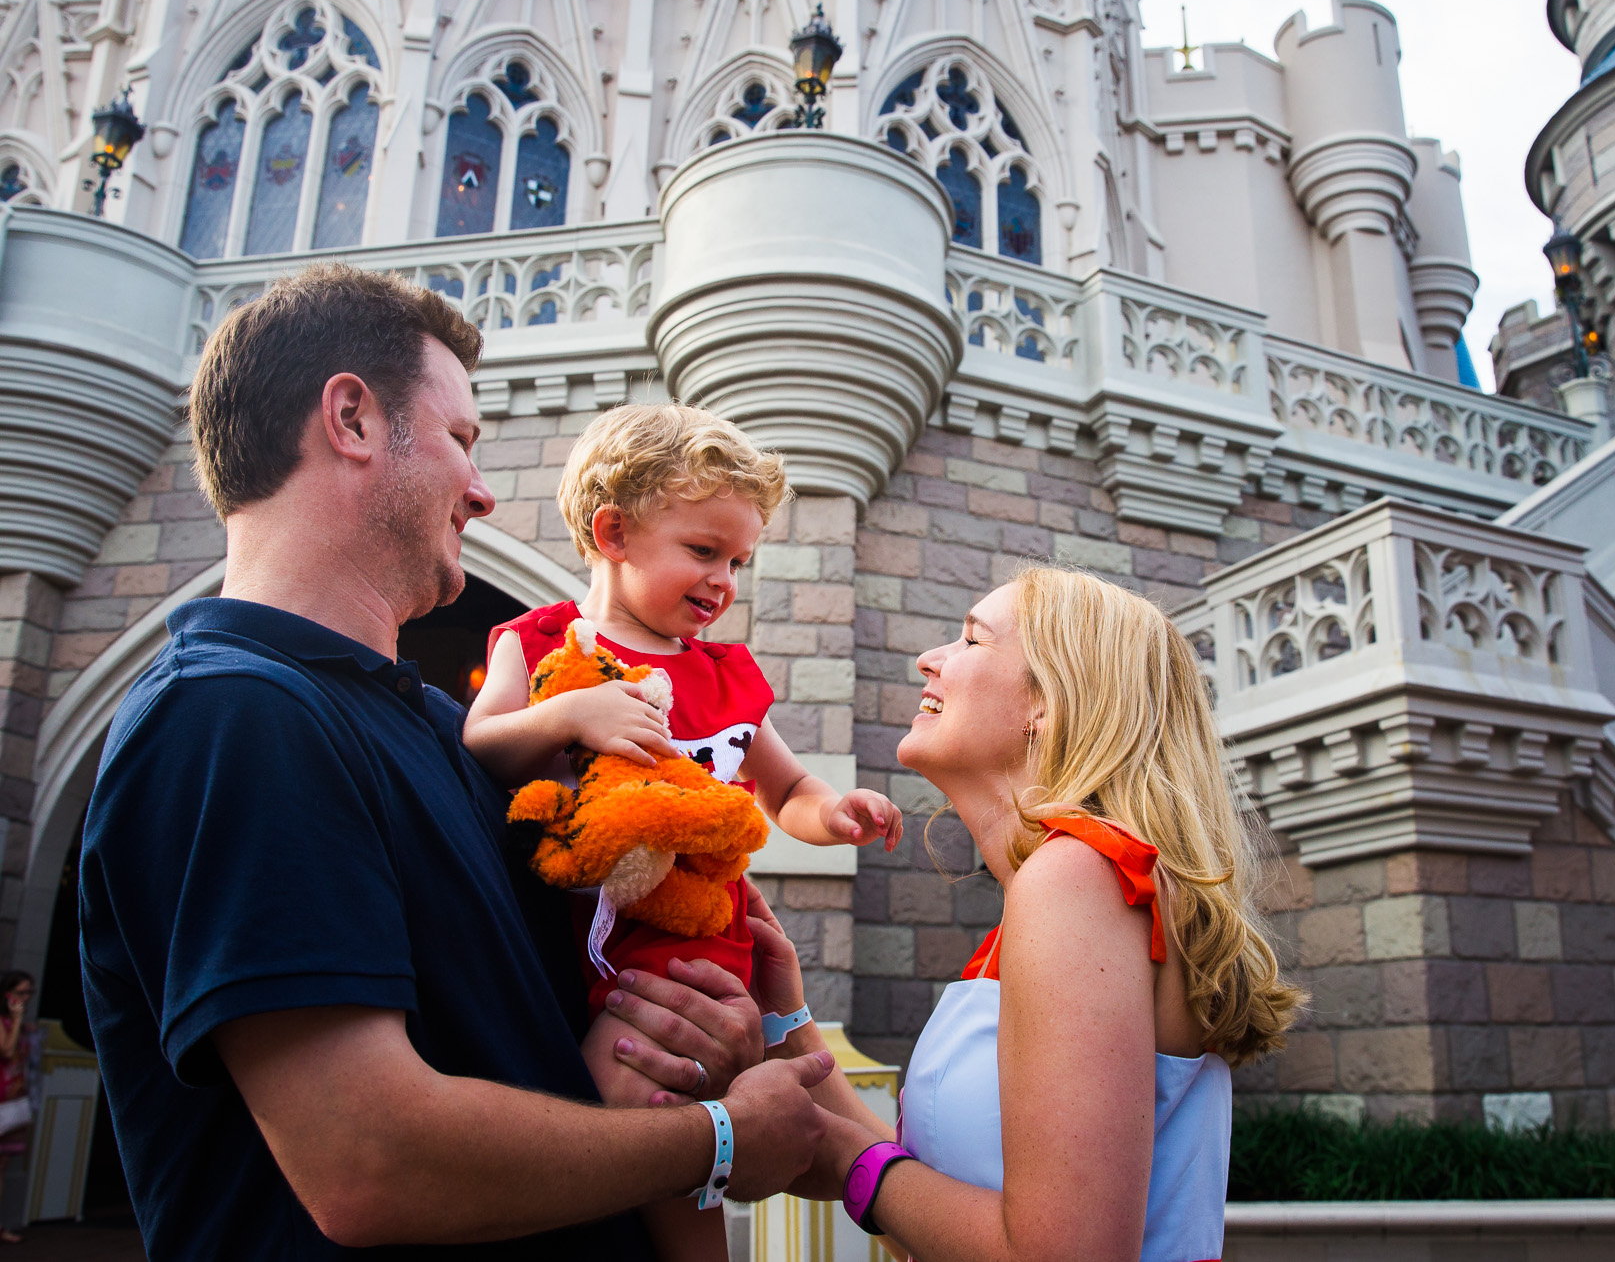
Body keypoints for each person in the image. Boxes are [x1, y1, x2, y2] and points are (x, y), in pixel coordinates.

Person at [78, 264, 836, 1261]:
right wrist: (719, 1140)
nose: (481, 491)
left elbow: (565, 1019)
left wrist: (729, 1023)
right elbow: (368, 1163)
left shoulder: (442, 730)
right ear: (349, 418)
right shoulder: (231, 714)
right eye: (462, 442)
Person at [462, 401, 904, 1258]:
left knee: (665, 1130)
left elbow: (786, 789)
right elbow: (479, 743)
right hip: (576, 940)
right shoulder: (540, 642)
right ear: (614, 531)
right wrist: (574, 713)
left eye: (739, 559)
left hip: (692, 957)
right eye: (704, 550)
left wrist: (833, 813)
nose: (724, 580)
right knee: (617, 1147)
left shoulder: (726, 674)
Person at [789, 567, 1306, 1260]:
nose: (930, 658)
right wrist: (784, 1013)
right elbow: (952, 1178)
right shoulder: (1078, 887)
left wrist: (861, 1173)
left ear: (1049, 706)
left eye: (971, 638)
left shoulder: (1075, 876)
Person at [0, 970, 35, 1244]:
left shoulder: (20, 1025)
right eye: (21, 992)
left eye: (29, 993)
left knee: (2, 1167)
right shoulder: (4, 1022)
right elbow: (7, 1052)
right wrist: (17, 1018)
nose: (26, 998)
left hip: (13, 1100)